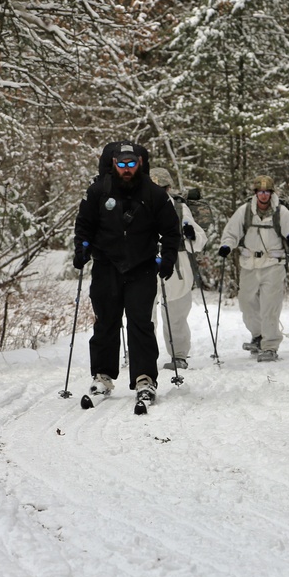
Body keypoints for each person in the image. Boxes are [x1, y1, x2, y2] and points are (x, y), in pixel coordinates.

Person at [73, 142, 180, 406]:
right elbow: (84, 225)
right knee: (106, 322)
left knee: (141, 323)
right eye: (122, 164)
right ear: (113, 164)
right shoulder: (98, 191)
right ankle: (103, 376)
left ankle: (145, 379)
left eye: (132, 163)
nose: (127, 169)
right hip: (106, 266)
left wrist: (167, 259)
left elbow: (170, 231)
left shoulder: (155, 194)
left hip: (141, 267)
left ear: (140, 164)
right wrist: (81, 249)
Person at [217, 175, 289, 362]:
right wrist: (227, 245)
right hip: (249, 263)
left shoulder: (280, 212)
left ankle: (270, 345)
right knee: (245, 302)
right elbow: (231, 232)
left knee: (270, 306)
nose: (264, 195)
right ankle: (258, 335)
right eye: (260, 192)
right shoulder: (245, 211)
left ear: (271, 193)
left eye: (267, 192)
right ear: (255, 193)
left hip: (273, 264)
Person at [149, 168, 208, 370]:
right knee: (142, 314)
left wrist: (191, 235)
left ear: (169, 188)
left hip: (177, 265)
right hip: (145, 263)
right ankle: (144, 355)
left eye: (162, 188)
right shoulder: (136, 207)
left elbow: (199, 242)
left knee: (176, 313)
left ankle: (179, 355)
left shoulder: (181, 209)